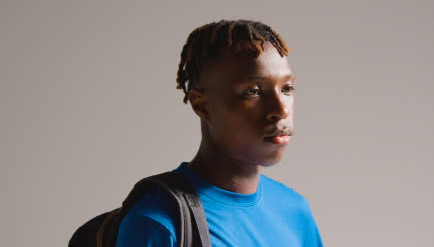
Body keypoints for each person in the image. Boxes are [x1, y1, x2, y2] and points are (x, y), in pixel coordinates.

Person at [116, 19, 324, 246]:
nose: (281, 109)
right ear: (202, 105)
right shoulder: (158, 222)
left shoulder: (295, 211)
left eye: (287, 89)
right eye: (253, 91)